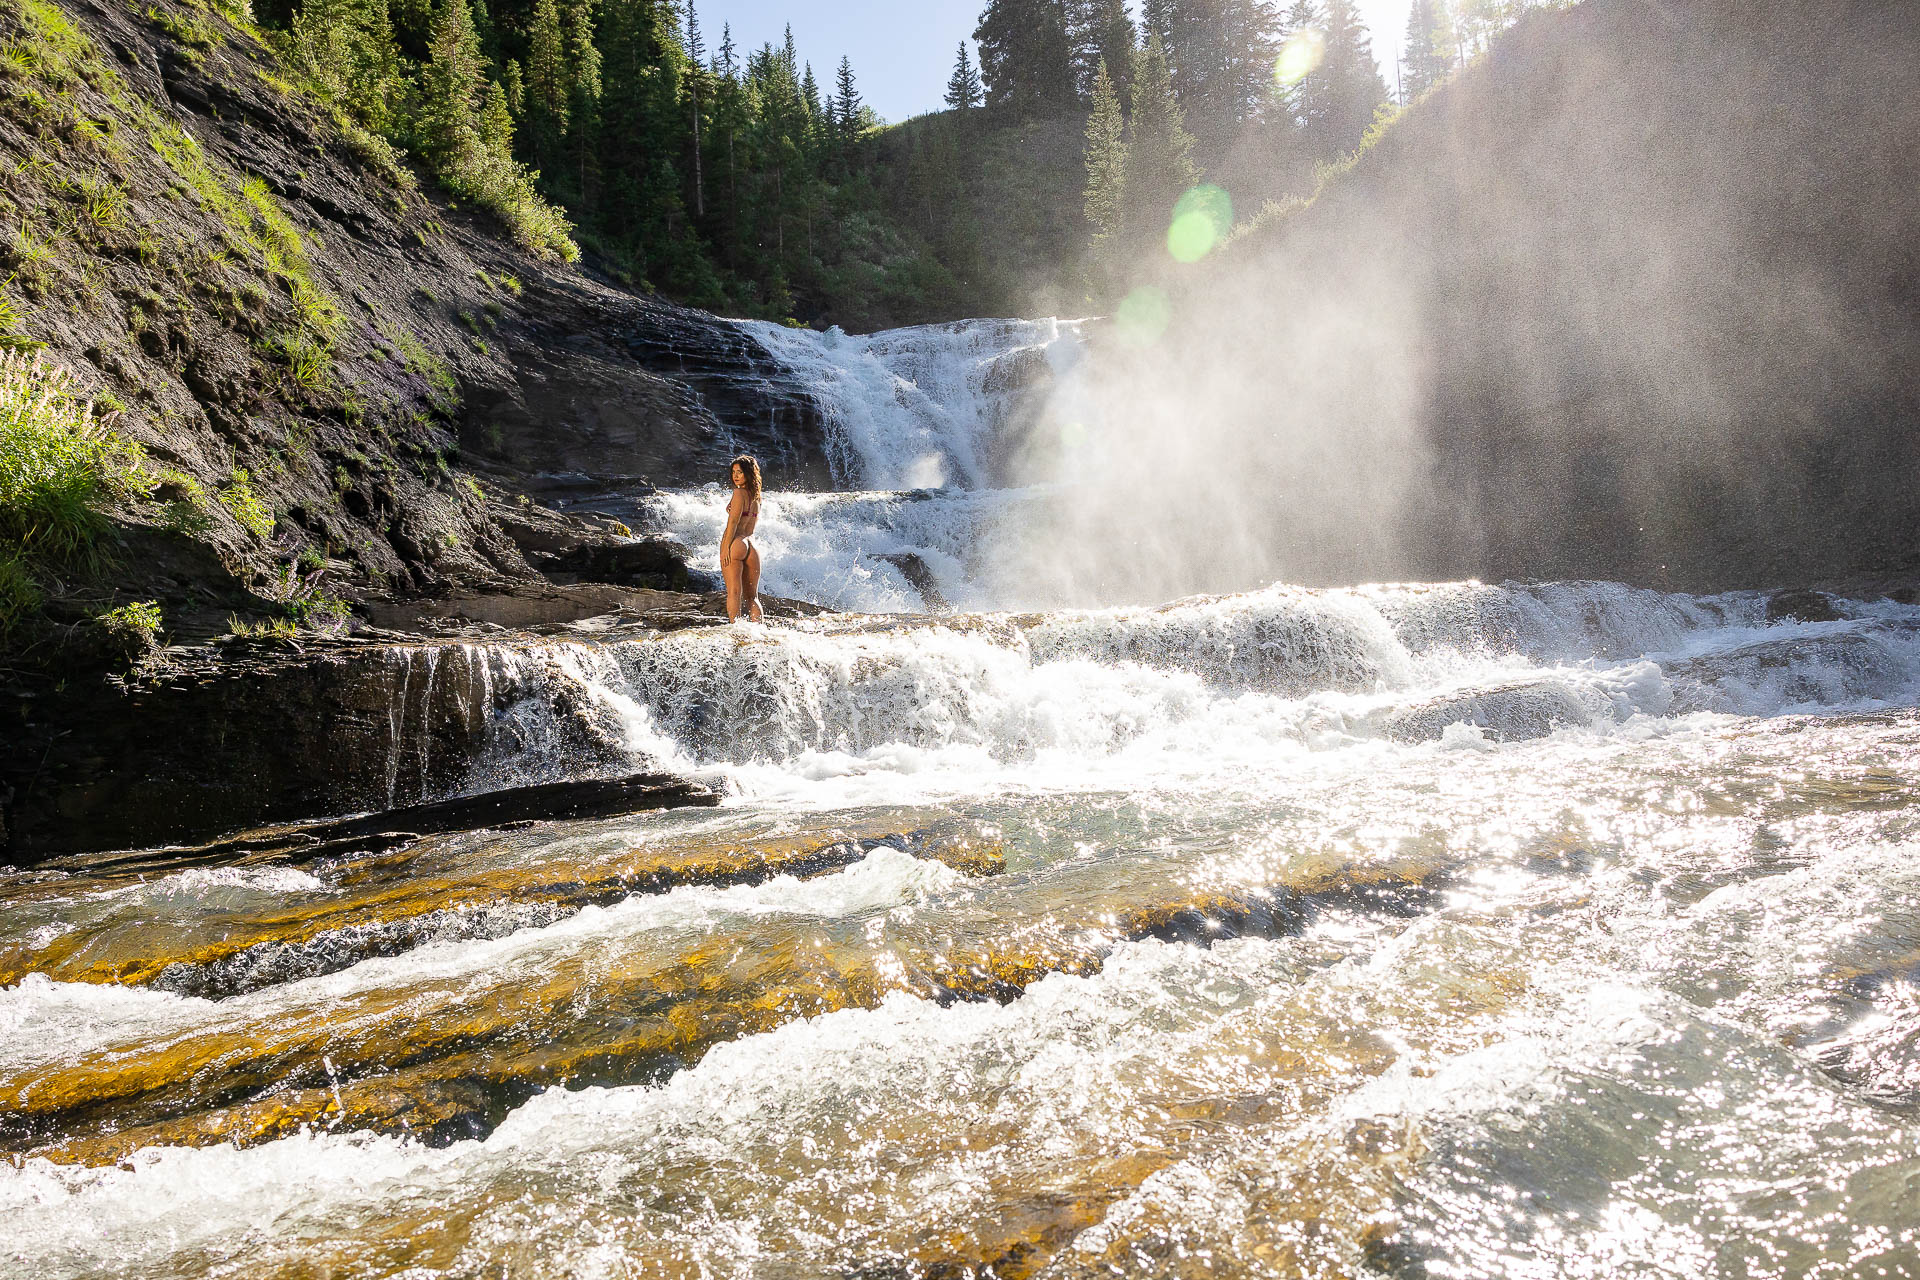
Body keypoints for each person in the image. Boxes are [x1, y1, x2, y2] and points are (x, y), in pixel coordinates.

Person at [720, 454, 764, 622]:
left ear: (748, 473)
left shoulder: (738, 493)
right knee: (752, 597)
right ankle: (758, 630)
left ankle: (735, 631)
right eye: (733, 472)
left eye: (739, 472)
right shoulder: (757, 497)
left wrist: (725, 549)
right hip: (752, 546)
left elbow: (732, 524)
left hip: (736, 543)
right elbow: (746, 517)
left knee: (734, 592)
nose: (735, 476)